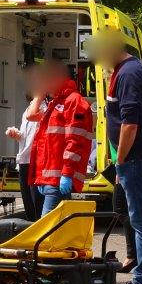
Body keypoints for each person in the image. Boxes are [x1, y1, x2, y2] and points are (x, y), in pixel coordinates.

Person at [88, 27, 142, 284]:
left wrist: (120, 159)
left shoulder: (128, 75)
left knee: (141, 219)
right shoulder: (135, 69)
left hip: (136, 158)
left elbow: (129, 124)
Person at [27, 60, 94, 216]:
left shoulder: (74, 102)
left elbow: (75, 142)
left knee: (47, 230)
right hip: (49, 180)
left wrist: (67, 174)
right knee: (54, 230)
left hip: (57, 180)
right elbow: (33, 119)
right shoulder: (57, 102)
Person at [5, 66, 43, 220]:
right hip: (24, 161)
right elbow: (26, 136)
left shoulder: (45, 107)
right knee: (28, 201)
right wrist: (16, 134)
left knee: (37, 202)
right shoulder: (27, 110)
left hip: (36, 162)